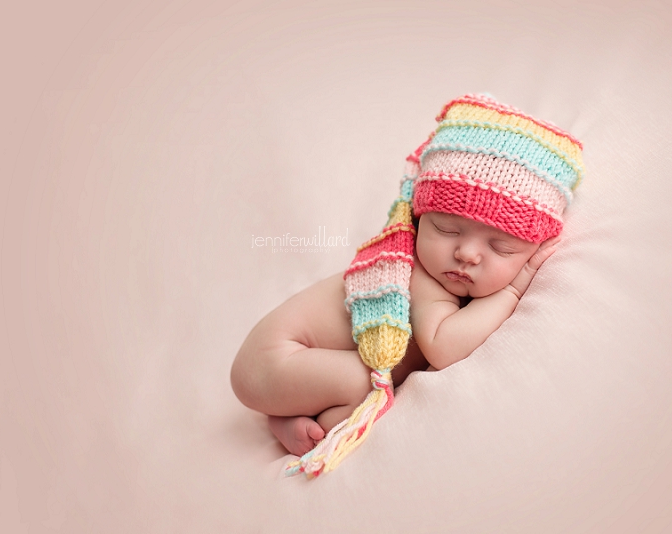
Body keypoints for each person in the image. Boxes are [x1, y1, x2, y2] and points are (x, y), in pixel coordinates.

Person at [230, 93, 584, 458]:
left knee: (359, 398)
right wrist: (513, 287)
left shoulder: (450, 270)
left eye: (501, 248)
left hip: (291, 368)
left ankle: (290, 414)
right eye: (447, 229)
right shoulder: (417, 275)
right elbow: (444, 347)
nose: (466, 253)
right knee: (365, 384)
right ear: (418, 217)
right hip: (273, 357)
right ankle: (283, 406)